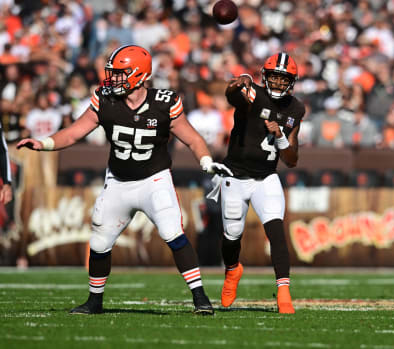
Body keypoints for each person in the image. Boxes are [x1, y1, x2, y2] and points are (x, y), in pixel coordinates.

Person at [17, 45, 232, 315]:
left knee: (172, 233)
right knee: (99, 242)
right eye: (113, 73)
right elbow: (73, 133)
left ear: (140, 75)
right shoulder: (106, 99)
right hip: (118, 181)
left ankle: (200, 297)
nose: (113, 79)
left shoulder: (164, 102)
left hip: (155, 180)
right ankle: (94, 301)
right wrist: (44, 142)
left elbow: (193, 138)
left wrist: (204, 161)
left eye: (120, 74)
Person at [208, 52, 304, 314]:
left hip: (266, 177)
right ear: (265, 76)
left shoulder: (295, 109)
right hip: (235, 176)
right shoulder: (254, 94)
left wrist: (281, 136)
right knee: (231, 238)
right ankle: (232, 270)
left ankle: (283, 291)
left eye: (283, 79)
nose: (277, 83)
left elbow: (292, 159)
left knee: (276, 233)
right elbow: (231, 97)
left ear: (291, 82)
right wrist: (236, 83)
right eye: (273, 77)